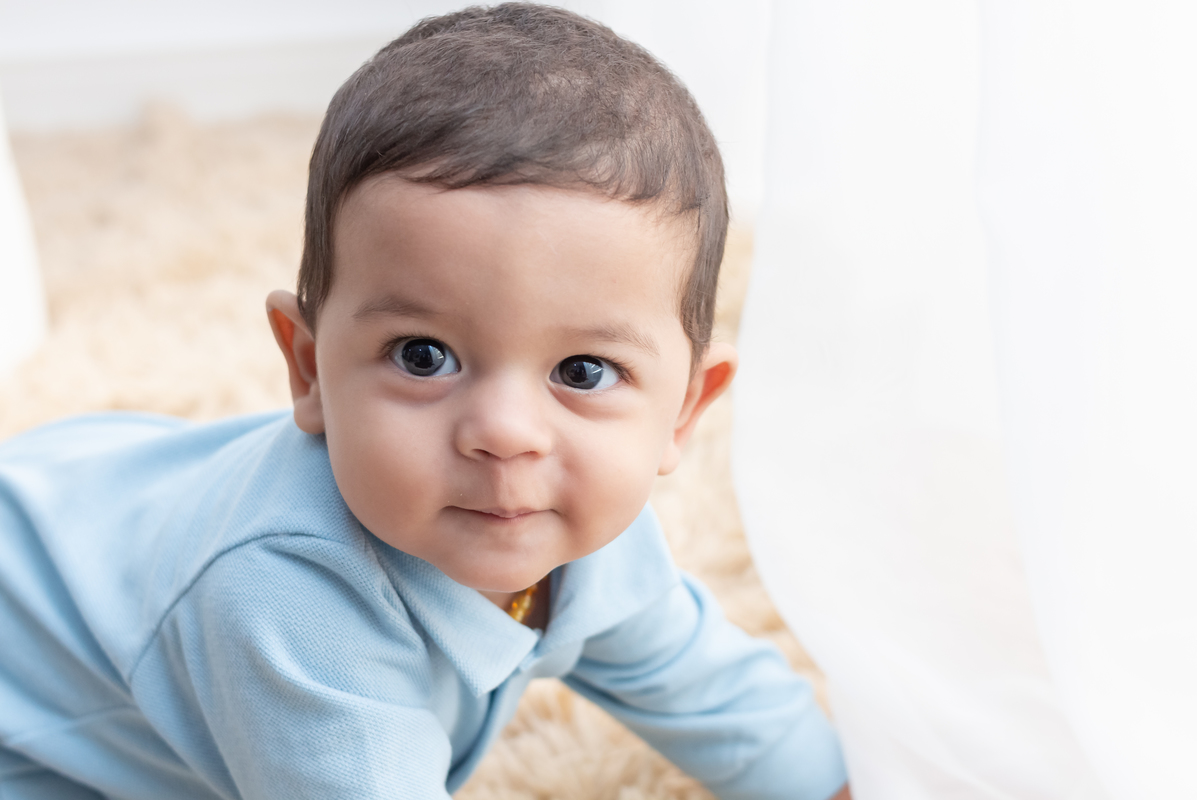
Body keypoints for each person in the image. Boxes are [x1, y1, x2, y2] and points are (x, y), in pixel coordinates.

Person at [0, 5, 849, 799]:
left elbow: (713, 694)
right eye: (423, 356)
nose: (506, 434)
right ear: (308, 369)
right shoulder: (289, 599)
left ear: (684, 410)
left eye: (583, 372)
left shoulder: (588, 523)